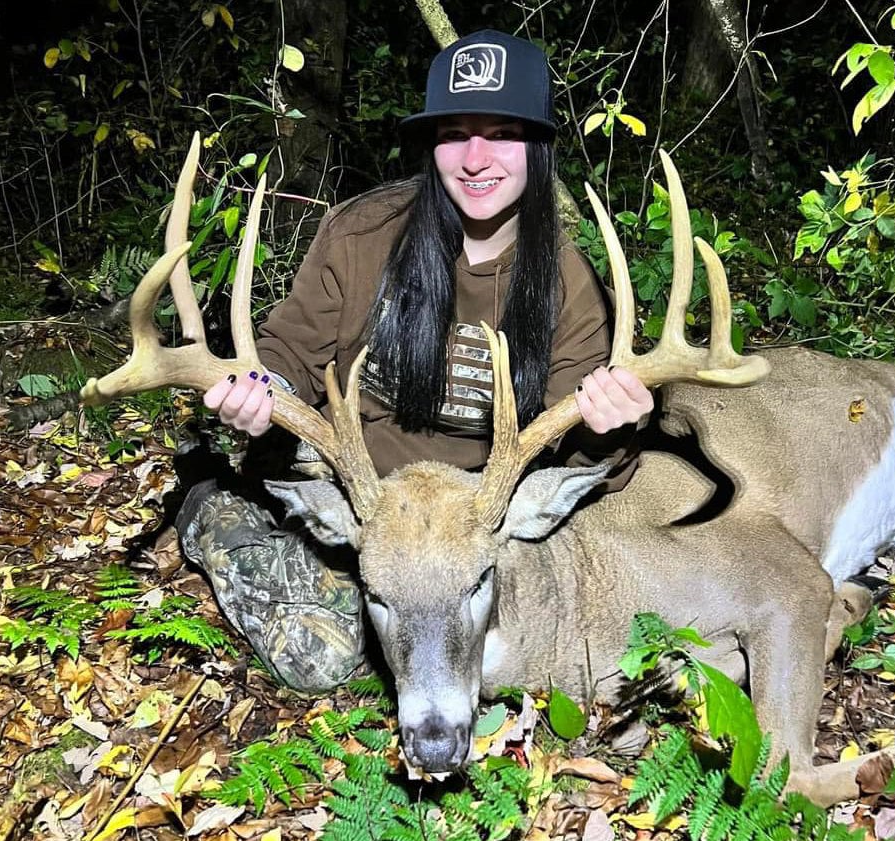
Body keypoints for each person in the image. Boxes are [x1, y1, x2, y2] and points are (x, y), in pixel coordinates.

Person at [176, 29, 654, 693]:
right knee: (321, 656)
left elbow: (586, 462)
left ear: (537, 147)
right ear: (432, 146)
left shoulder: (568, 284)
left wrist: (611, 424)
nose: (475, 157)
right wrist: (263, 387)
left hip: (470, 520)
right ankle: (208, 503)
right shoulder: (362, 232)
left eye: (503, 132)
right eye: (454, 133)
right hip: (360, 492)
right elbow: (288, 349)